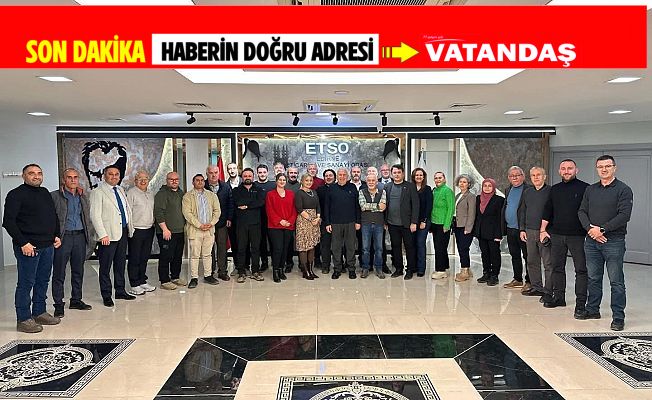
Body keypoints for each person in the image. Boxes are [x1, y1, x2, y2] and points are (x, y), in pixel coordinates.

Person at [3, 164, 62, 333]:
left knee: (43, 280)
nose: (36, 176)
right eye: (31, 173)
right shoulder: (15, 194)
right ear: (24, 176)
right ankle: (23, 319)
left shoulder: (44, 192)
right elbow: (9, 222)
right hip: (28, 247)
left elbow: (53, 216)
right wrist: (23, 243)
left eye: (39, 173)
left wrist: (56, 235)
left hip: (48, 245)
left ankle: (39, 312)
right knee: (26, 283)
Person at [577, 155, 633, 331]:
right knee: (593, 278)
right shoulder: (591, 189)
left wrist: (602, 229)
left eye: (607, 166)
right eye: (600, 166)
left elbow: (624, 215)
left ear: (614, 168)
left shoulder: (624, 190)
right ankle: (593, 310)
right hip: (591, 241)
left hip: (613, 241)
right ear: (597, 169)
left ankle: (618, 317)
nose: (604, 169)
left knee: (616, 281)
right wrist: (590, 230)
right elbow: (581, 211)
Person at [540, 160, 589, 315]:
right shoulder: (555, 189)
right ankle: (559, 298)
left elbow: (589, 211)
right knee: (557, 268)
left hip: (578, 236)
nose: (566, 171)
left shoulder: (585, 188)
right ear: (559, 171)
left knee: (581, 270)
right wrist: (542, 230)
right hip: (557, 235)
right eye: (563, 168)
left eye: (570, 168)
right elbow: (548, 210)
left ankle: (580, 304)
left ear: (576, 170)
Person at [50, 168, 94, 318]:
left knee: (78, 271)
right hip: (63, 238)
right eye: (69, 177)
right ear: (64, 180)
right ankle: (58, 304)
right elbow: (50, 218)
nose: (73, 180)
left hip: (80, 237)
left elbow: (87, 218)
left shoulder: (83, 196)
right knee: (59, 272)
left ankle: (76, 300)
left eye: (75, 177)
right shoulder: (55, 196)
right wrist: (54, 236)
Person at [89, 165, 136, 306]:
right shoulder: (98, 192)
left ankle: (120, 291)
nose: (114, 176)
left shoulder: (120, 190)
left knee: (120, 264)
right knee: (105, 267)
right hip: (107, 236)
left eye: (117, 174)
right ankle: (107, 295)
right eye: (111, 174)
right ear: (104, 176)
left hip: (122, 232)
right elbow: (95, 215)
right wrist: (102, 235)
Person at [183, 174, 221, 289]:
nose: (200, 182)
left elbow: (217, 211)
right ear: (193, 182)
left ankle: (208, 275)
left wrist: (211, 223)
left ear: (204, 182)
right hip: (195, 230)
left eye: (202, 180)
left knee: (207, 254)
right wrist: (199, 225)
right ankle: (194, 278)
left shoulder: (212, 195)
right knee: (195, 255)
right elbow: (187, 214)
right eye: (197, 180)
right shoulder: (187, 196)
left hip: (209, 230)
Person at [519, 167, 552, 299]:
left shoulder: (551, 191)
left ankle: (549, 290)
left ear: (544, 177)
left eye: (539, 175)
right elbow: (523, 211)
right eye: (533, 175)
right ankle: (537, 287)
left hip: (545, 232)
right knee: (532, 261)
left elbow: (553, 211)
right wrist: (522, 229)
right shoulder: (527, 192)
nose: (536, 177)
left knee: (548, 263)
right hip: (529, 231)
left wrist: (548, 230)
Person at [384, 164, 419, 280]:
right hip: (392, 223)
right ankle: (399, 269)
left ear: (403, 174)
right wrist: (385, 221)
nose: (397, 175)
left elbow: (416, 205)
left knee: (409, 247)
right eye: (394, 173)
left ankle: (410, 270)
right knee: (395, 246)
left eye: (399, 172)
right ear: (391, 174)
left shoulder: (410, 186)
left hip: (407, 224)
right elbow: (385, 204)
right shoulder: (388, 187)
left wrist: (414, 222)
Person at [324, 168, 360, 279]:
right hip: (335, 223)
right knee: (336, 247)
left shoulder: (352, 187)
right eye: (340, 174)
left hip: (350, 222)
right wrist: (328, 223)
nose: (342, 176)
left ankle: (351, 269)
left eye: (344, 175)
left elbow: (357, 206)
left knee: (350, 247)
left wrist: (358, 221)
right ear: (337, 176)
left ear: (347, 176)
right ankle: (337, 269)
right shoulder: (331, 188)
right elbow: (327, 207)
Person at [154, 172, 187, 291]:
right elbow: (158, 212)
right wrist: (165, 229)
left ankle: (175, 277)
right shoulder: (162, 194)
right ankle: (164, 280)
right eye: (171, 179)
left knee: (177, 256)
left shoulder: (181, 193)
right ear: (167, 180)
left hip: (179, 231)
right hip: (167, 232)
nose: (174, 181)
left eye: (176, 179)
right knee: (166, 256)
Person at [126, 170, 157, 296]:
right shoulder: (131, 193)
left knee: (144, 257)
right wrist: (130, 230)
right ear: (135, 181)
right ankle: (134, 284)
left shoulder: (150, 193)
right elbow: (128, 213)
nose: (143, 181)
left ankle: (142, 280)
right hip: (136, 230)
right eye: (140, 179)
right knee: (135, 257)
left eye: (146, 179)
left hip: (149, 229)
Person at [232, 168, 266, 283]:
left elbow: (261, 202)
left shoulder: (259, 190)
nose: (247, 177)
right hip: (241, 224)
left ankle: (255, 271)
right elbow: (238, 202)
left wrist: (247, 206)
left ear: (253, 177)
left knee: (256, 248)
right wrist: (252, 203)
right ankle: (241, 272)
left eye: (249, 176)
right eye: (245, 176)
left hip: (255, 224)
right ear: (242, 177)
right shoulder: (236, 190)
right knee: (241, 248)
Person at [501, 166, 531, 290]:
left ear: (523, 176)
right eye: (512, 176)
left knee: (528, 256)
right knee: (514, 255)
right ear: (508, 178)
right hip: (510, 228)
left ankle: (530, 281)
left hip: (523, 230)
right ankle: (517, 279)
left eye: (517, 175)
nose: (514, 178)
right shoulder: (508, 190)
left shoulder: (529, 189)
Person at [266, 173, 297, 283]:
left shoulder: (291, 194)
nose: (282, 181)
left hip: (288, 226)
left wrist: (290, 221)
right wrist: (280, 221)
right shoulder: (270, 194)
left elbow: (294, 209)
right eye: (280, 180)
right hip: (275, 226)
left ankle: (281, 270)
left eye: (284, 180)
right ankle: (275, 271)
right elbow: (269, 210)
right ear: (276, 181)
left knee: (285, 249)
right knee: (277, 249)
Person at [205, 164, 234, 282]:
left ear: (219, 173)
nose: (213, 175)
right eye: (211, 173)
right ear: (207, 174)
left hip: (222, 223)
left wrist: (229, 218)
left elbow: (230, 203)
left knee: (222, 248)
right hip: (207, 224)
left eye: (216, 172)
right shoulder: (202, 186)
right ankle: (209, 272)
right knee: (209, 249)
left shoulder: (225, 186)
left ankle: (222, 271)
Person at [474, 178, 504, 286]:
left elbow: (500, 218)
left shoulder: (499, 200)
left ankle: (494, 275)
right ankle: (486, 273)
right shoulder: (478, 198)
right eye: (485, 186)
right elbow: (477, 215)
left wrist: (499, 234)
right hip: (481, 231)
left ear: (493, 187)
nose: (487, 188)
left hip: (493, 232)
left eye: (489, 186)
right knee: (484, 253)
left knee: (494, 254)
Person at [359, 173, 387, 278]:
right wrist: (377, 206)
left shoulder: (383, 192)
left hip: (379, 224)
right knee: (365, 248)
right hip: (366, 224)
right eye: (369, 180)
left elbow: (383, 207)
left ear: (377, 182)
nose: (371, 182)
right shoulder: (361, 192)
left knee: (379, 248)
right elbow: (363, 206)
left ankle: (379, 269)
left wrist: (370, 207)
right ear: (366, 182)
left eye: (373, 180)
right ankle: (365, 268)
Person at [295, 173, 322, 280]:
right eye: (306, 180)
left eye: (310, 180)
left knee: (311, 246)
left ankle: (311, 270)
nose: (309, 182)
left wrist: (318, 217)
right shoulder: (299, 193)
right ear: (302, 181)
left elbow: (318, 206)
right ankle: (305, 271)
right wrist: (311, 219)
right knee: (303, 246)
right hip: (304, 221)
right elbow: (299, 209)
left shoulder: (314, 192)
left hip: (315, 221)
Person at [430, 172, 455, 279]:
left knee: (440, 247)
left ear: (444, 179)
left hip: (443, 224)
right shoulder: (434, 191)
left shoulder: (448, 191)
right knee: (439, 246)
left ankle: (441, 271)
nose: (438, 179)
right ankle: (444, 265)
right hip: (434, 223)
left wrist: (447, 225)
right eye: (436, 178)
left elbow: (451, 209)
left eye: (440, 178)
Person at [452, 174, 476, 282]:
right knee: (461, 248)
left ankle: (464, 270)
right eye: (460, 182)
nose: (462, 184)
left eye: (464, 182)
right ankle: (468, 269)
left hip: (465, 226)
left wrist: (468, 228)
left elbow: (472, 213)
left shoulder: (471, 196)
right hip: (457, 225)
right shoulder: (458, 195)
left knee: (463, 248)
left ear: (469, 184)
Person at [411, 168, 432, 278]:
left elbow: (429, 207)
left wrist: (424, 220)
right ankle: (413, 266)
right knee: (412, 244)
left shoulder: (427, 189)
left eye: (420, 175)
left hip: (424, 221)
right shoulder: (410, 188)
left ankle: (421, 268)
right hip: (412, 221)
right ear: (413, 177)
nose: (418, 177)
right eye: (416, 175)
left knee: (420, 243)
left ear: (424, 177)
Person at [256, 164, 275, 272]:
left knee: (273, 241)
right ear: (257, 173)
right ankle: (264, 262)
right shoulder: (254, 185)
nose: (262, 174)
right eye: (260, 172)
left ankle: (275, 261)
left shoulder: (273, 185)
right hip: (258, 219)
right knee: (261, 242)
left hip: (272, 218)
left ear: (267, 173)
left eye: (264, 172)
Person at [316, 169, 336, 274]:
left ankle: (339, 265)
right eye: (326, 176)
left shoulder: (338, 188)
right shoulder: (319, 190)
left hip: (338, 221)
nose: (328, 177)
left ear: (334, 177)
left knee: (338, 245)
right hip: (324, 221)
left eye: (330, 175)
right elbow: (317, 205)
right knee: (325, 245)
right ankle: (325, 266)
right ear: (324, 178)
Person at [284, 166, 300, 270]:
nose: (293, 174)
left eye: (295, 173)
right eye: (291, 173)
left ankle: (302, 263)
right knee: (288, 241)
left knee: (300, 240)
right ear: (287, 174)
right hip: (288, 217)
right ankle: (289, 262)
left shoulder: (301, 185)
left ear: (297, 174)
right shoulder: (283, 185)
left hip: (300, 217)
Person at [226, 162, 241, 270]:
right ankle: (237, 266)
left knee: (245, 243)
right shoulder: (224, 185)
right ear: (227, 171)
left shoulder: (244, 182)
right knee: (234, 242)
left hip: (245, 219)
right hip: (231, 219)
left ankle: (246, 265)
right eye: (230, 169)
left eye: (234, 168)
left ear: (237, 169)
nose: (232, 170)